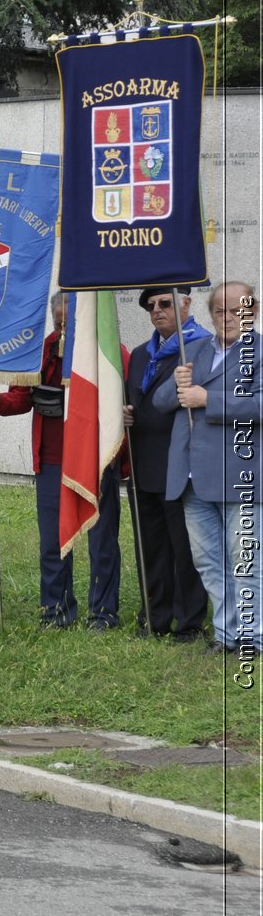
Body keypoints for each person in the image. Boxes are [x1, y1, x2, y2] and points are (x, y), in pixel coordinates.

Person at [0, 291, 125, 629]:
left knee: (101, 539)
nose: (63, 328)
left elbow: (123, 392)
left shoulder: (106, 349)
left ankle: (103, 613)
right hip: (51, 460)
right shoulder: (38, 350)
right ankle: (56, 610)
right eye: (59, 321)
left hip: (95, 458)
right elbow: (19, 399)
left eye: (69, 322)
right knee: (53, 541)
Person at [156, 281, 260, 656]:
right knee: (209, 561)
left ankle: (252, 637)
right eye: (220, 310)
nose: (228, 317)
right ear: (211, 313)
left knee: (244, 562)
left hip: (238, 474)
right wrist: (177, 382)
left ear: (253, 311)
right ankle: (226, 634)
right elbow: (163, 402)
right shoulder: (195, 349)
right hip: (191, 477)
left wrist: (208, 398)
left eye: (237, 310)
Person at [126, 286, 208, 642]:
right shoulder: (144, 354)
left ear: (186, 304)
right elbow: (137, 398)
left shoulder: (202, 347)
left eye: (164, 303)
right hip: (144, 462)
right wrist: (128, 412)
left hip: (182, 463)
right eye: (150, 306)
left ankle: (188, 622)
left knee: (185, 547)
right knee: (152, 546)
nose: (156, 310)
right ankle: (154, 617)